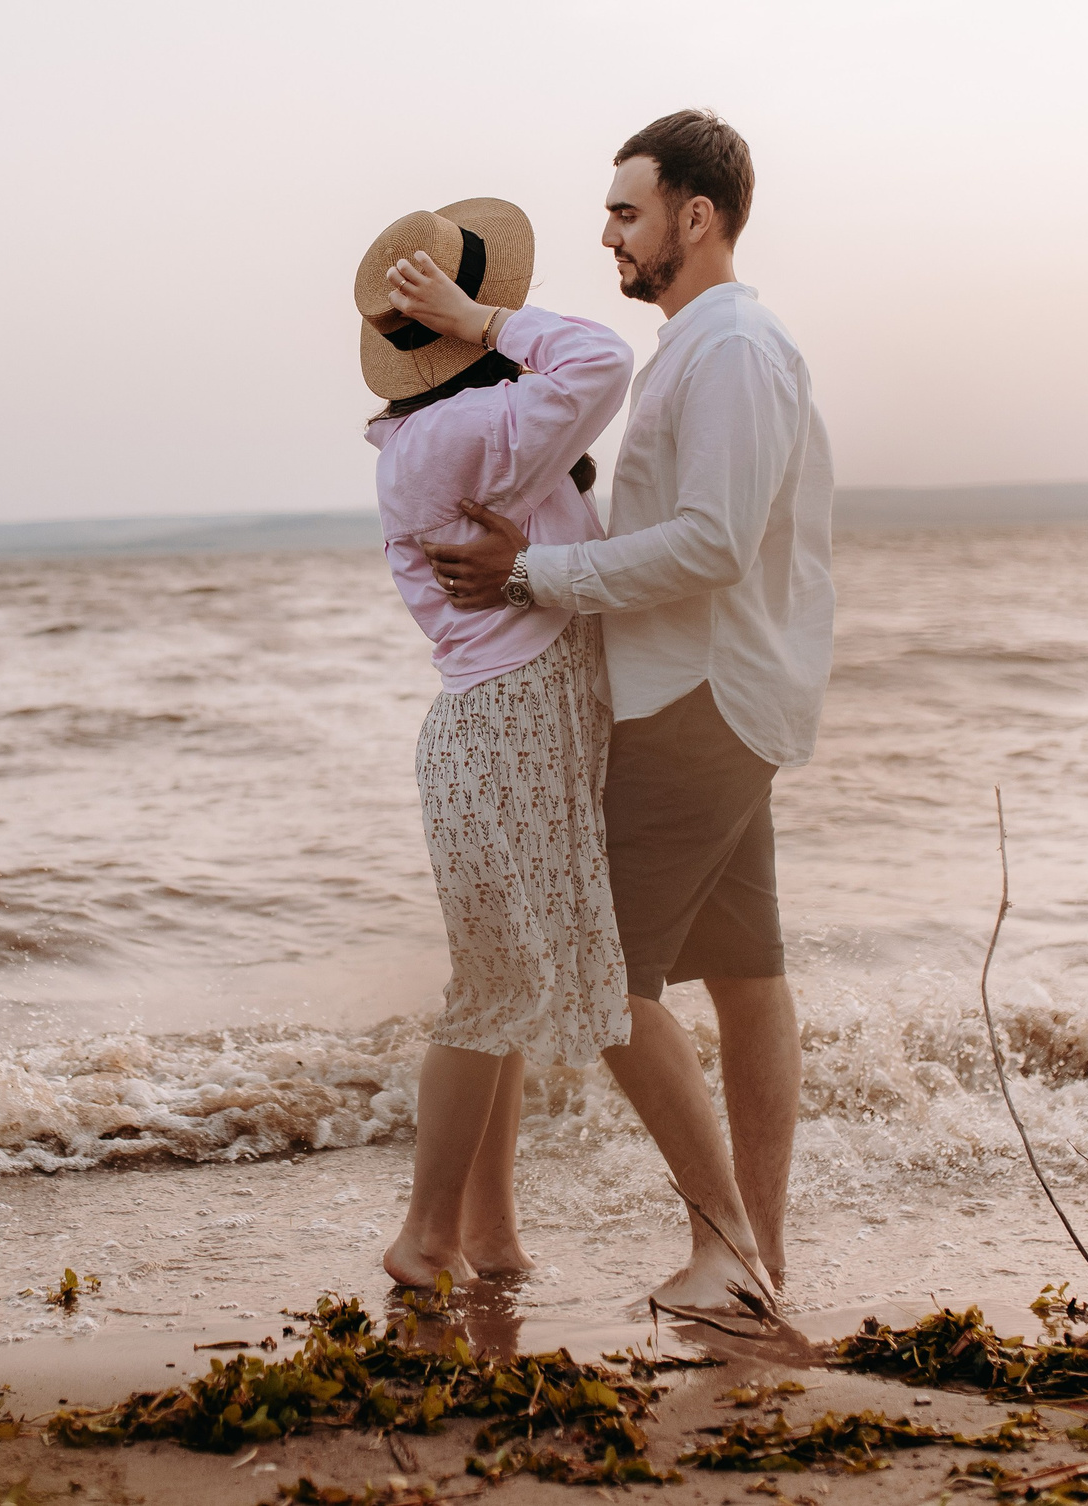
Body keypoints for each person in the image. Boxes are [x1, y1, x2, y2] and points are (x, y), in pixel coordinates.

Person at [426, 111, 834, 1310]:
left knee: (608, 984)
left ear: (692, 217)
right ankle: (755, 1249)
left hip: (694, 695)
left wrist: (530, 575)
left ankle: (725, 1253)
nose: (607, 230)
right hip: (703, 690)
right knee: (748, 975)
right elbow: (687, 526)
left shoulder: (733, 349)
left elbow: (709, 544)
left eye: (624, 209)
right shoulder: (699, 349)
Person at [353, 196, 636, 1288]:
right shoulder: (462, 431)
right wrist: (481, 315)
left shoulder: (449, 434)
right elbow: (601, 359)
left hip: (506, 715)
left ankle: (489, 1235)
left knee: (504, 987)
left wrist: (472, 328)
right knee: (488, 989)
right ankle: (426, 1234)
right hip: (508, 716)